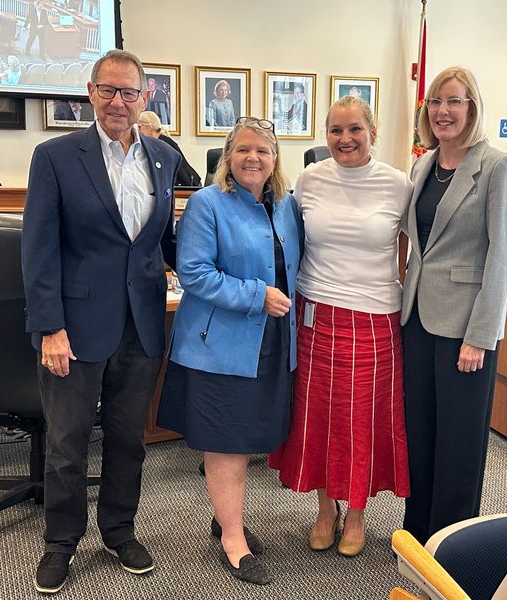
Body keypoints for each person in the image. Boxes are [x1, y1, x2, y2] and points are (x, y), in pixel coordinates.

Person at [21, 49, 181, 595]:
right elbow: (38, 249)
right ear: (90, 93)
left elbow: (165, 241)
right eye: (108, 90)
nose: (118, 101)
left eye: (129, 92)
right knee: (66, 443)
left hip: (141, 324)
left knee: (127, 439)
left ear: (145, 97)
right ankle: (60, 542)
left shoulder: (162, 157)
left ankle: (119, 530)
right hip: (75, 326)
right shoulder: (56, 156)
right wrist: (48, 326)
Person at [156, 116, 301, 585]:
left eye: (262, 150)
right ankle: (233, 540)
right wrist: (257, 294)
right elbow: (193, 273)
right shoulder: (205, 203)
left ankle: (226, 517)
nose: (252, 158)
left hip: (273, 340)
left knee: (249, 435)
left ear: (275, 158)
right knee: (228, 442)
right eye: (242, 149)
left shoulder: (285, 207)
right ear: (227, 156)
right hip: (220, 345)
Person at [269, 95, 412, 557]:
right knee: (319, 417)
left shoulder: (398, 185)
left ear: (373, 132)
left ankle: (356, 514)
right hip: (316, 314)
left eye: (354, 130)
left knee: (360, 421)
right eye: (335, 131)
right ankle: (324, 508)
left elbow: (416, 253)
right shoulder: (310, 179)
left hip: (374, 315)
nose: (345, 140)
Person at [401, 66, 507, 544]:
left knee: (459, 442)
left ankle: (451, 544)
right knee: (422, 433)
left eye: (454, 102)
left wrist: (481, 335)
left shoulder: (497, 166)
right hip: (417, 319)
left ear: (471, 108)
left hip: (465, 329)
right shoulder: (423, 164)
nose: (443, 111)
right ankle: (416, 535)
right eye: (435, 102)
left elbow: (503, 254)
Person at [137, 110, 201, 186]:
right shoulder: (159, 141)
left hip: (187, 187)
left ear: (150, 126)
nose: (137, 131)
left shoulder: (162, 144)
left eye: (139, 127)